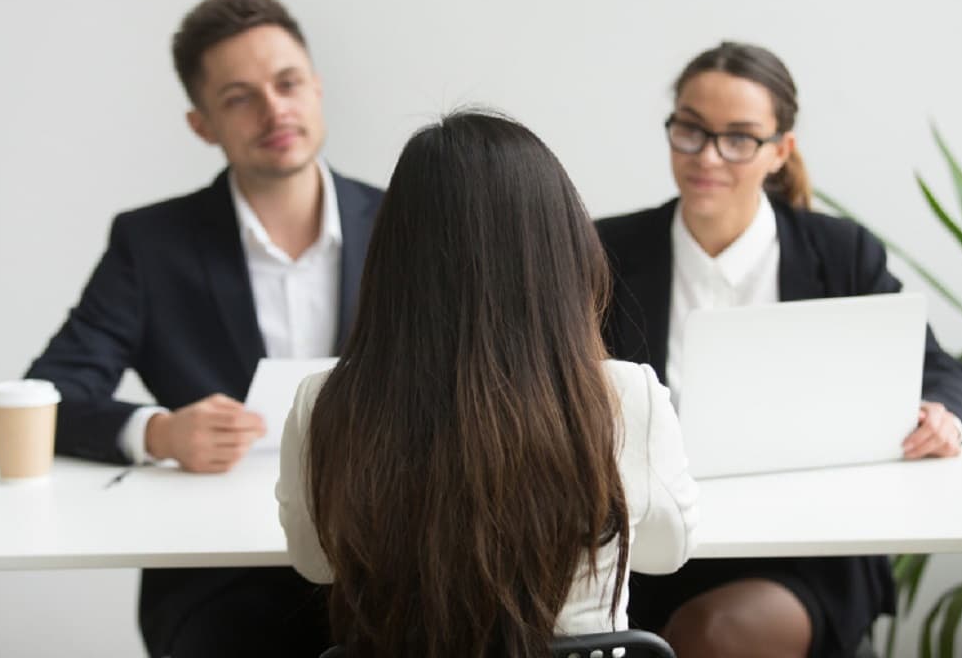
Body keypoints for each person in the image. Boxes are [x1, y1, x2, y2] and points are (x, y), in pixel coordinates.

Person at [25, 0, 383, 657]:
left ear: (317, 87)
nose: (275, 109)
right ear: (202, 124)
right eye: (240, 97)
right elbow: (52, 393)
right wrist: (158, 431)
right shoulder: (151, 243)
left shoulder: (405, 224)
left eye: (287, 83)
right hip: (218, 578)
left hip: (389, 558)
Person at [596, 42, 962, 658]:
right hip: (654, 550)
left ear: (781, 150)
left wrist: (943, 411)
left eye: (739, 138)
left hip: (809, 549)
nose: (709, 156)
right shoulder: (610, 250)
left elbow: (941, 369)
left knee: (711, 637)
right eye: (691, 130)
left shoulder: (841, 253)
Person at [275, 110, 700, 657]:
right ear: (561, 251)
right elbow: (670, 552)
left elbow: (315, 561)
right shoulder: (624, 397)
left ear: (393, 259)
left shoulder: (326, 402)